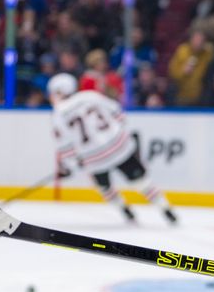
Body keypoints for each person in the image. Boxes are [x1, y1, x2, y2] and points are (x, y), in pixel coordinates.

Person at [47, 73, 177, 224]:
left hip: (93, 157)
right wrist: (120, 133)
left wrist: (74, 164)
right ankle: (165, 208)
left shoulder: (57, 114)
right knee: (140, 181)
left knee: (105, 188)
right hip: (118, 145)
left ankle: (124, 209)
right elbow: (117, 112)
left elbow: (65, 146)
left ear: (59, 92)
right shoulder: (90, 96)